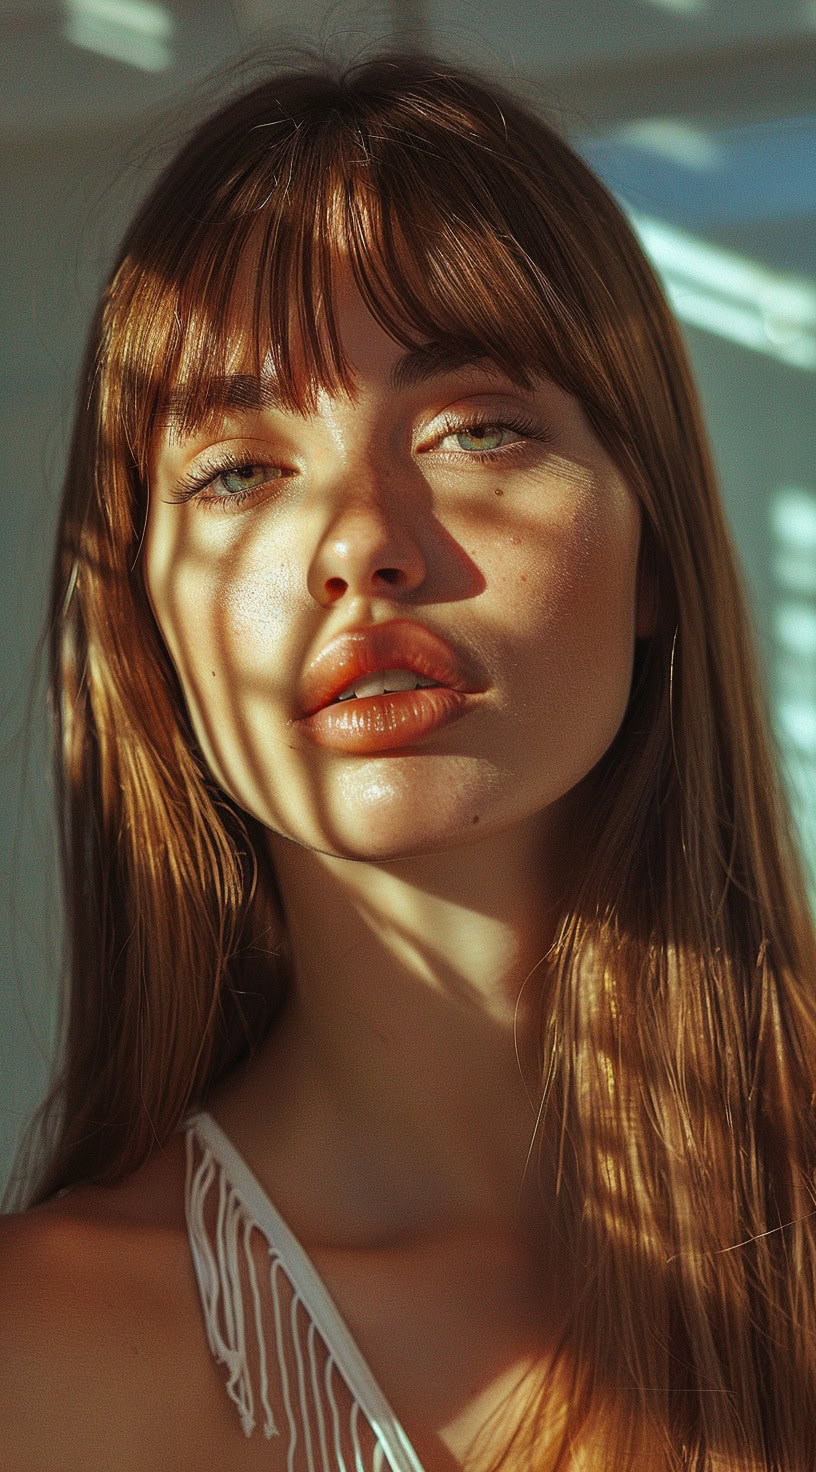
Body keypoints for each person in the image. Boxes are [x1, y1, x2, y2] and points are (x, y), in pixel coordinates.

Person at [1, 48, 815, 1472]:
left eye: (475, 428)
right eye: (238, 470)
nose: (360, 539)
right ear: (147, 620)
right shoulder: (39, 1358)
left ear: (657, 557)